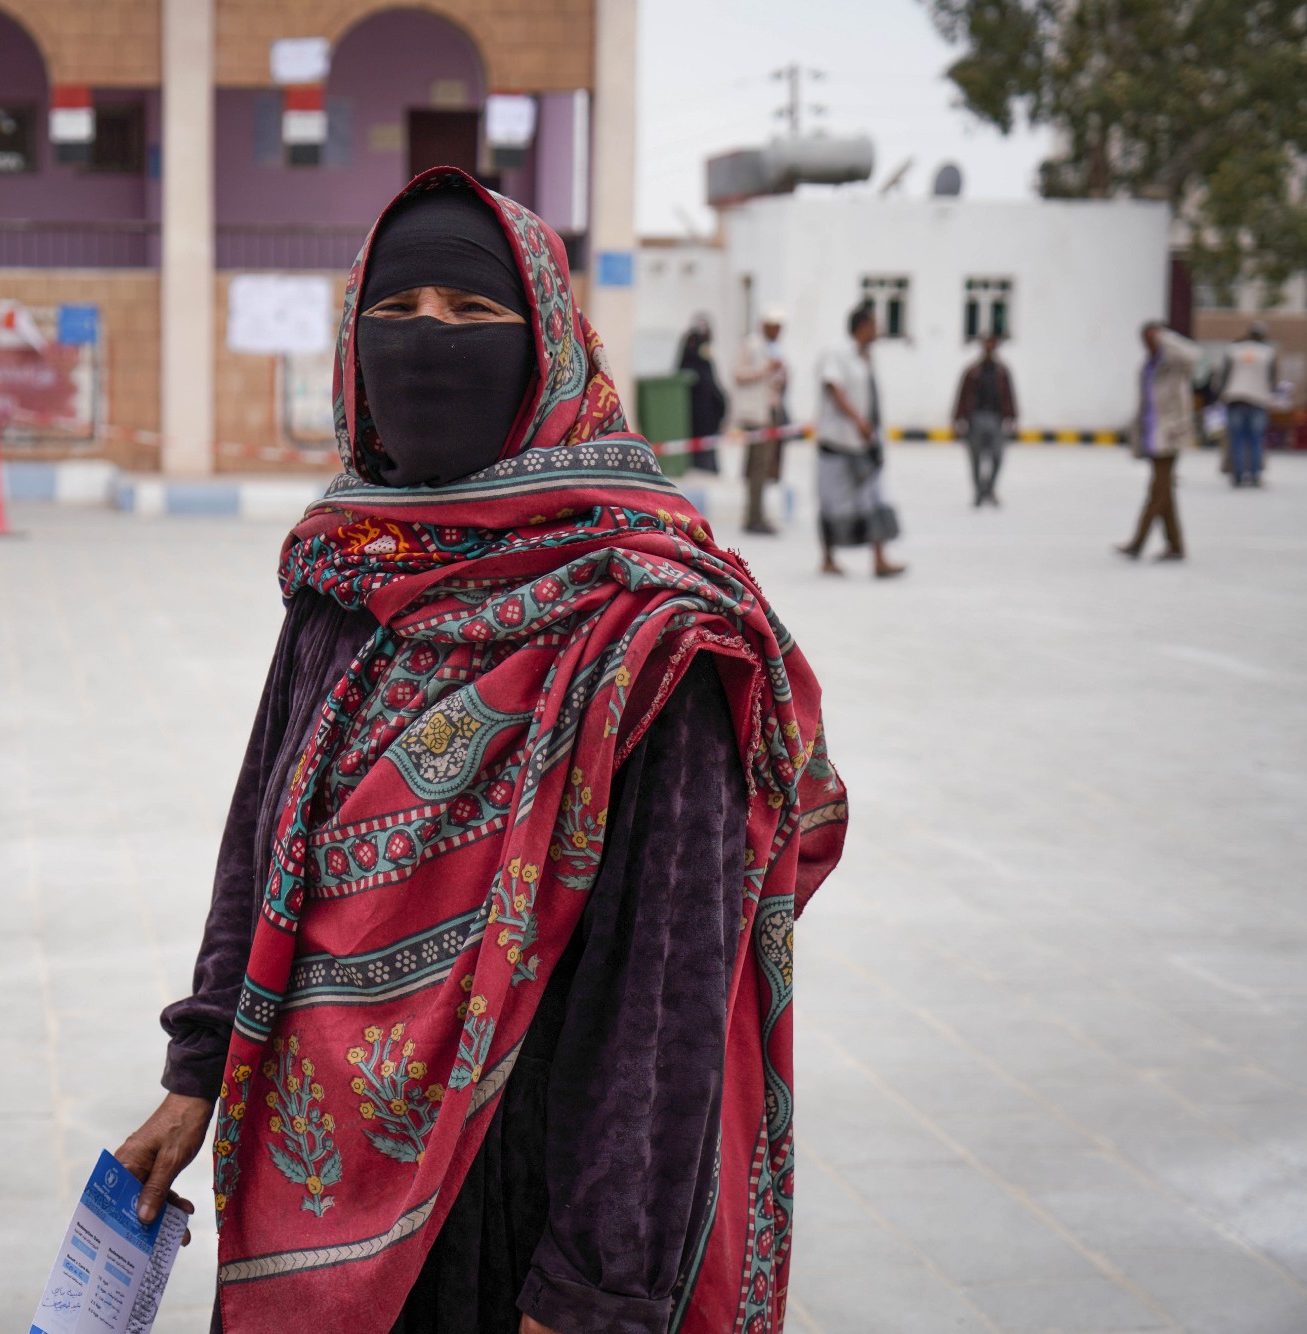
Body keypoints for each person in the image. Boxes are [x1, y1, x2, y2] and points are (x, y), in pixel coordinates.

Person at [114, 168, 848, 1334]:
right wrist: (195, 1066)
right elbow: (262, 830)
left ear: (546, 346)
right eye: (394, 317)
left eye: (470, 317)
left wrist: (596, 1285)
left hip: (523, 1198)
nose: (425, 346)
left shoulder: (651, 621)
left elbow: (665, 990)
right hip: (310, 1177)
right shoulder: (343, 571)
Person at [814, 303, 906, 577]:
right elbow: (833, 386)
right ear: (862, 326)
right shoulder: (838, 350)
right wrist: (858, 420)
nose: (877, 331)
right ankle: (828, 557)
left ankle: (879, 559)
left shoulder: (865, 356)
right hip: (837, 441)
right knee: (832, 502)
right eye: (874, 325)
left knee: (873, 499)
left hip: (864, 443)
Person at [1118, 320, 1200, 561]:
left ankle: (1137, 543)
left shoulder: (1174, 364)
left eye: (1153, 338)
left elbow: (1194, 355)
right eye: (1146, 338)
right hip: (1151, 435)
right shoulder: (1147, 365)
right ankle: (1176, 545)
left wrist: (1167, 339)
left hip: (1170, 434)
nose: (1149, 343)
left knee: (1156, 491)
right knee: (1164, 494)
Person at [731, 306, 788, 534]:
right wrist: (765, 370)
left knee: (766, 468)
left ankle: (757, 513)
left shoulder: (772, 349)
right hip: (756, 416)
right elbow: (738, 373)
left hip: (770, 412)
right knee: (757, 468)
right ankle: (754, 516)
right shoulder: (751, 345)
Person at [952, 333, 1018, 507]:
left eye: (991, 345)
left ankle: (989, 488)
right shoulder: (972, 372)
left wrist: (1011, 417)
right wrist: (959, 418)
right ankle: (979, 492)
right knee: (975, 459)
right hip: (976, 418)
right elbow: (962, 395)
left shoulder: (1002, 372)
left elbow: (1009, 396)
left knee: (997, 456)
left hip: (996, 419)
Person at [1220, 321, 1278, 486]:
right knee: (1255, 440)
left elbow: (1225, 375)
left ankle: (1237, 474)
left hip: (1235, 397)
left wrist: (1222, 394)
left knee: (1236, 439)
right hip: (1258, 398)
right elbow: (1271, 378)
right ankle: (1254, 475)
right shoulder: (1268, 352)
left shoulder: (1234, 350)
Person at [678, 314, 727, 473]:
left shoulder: (702, 355)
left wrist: (721, 403)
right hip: (698, 414)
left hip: (708, 416)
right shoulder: (692, 352)